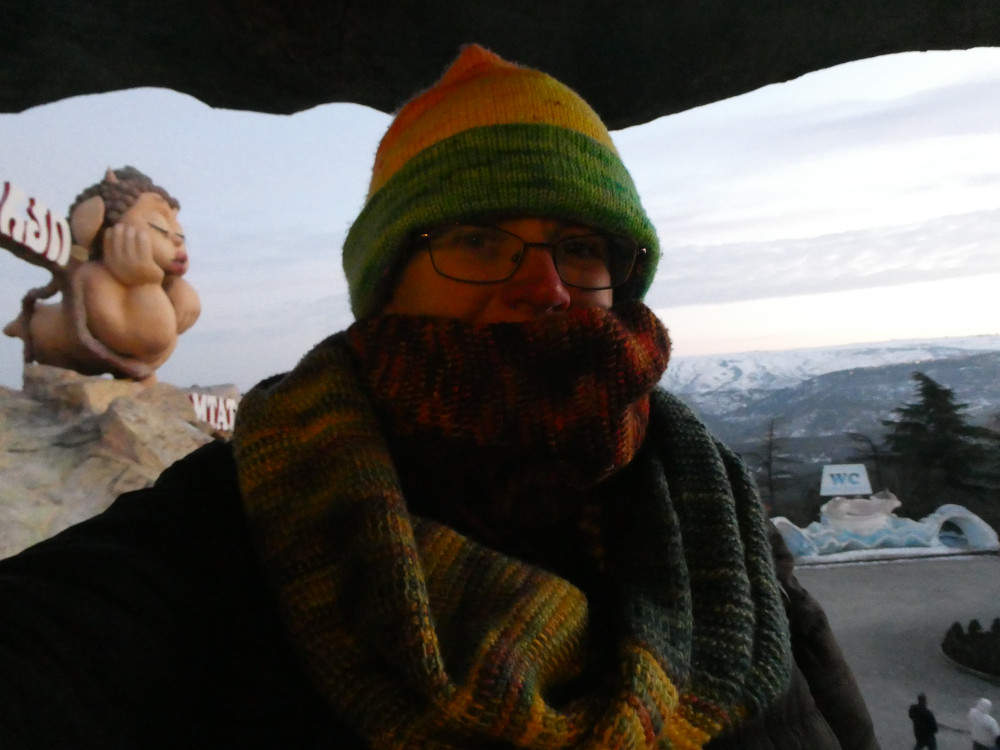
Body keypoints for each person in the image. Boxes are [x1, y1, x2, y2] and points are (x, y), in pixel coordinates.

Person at [0, 45, 879, 749]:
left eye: (581, 246)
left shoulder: (711, 506)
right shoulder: (233, 527)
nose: (546, 288)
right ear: (388, 285)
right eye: (478, 238)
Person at [3, 166, 201, 382]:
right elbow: (147, 338)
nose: (178, 239)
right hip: (58, 346)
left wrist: (180, 291)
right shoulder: (92, 276)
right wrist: (143, 283)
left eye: (179, 232)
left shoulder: (162, 283)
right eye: (160, 228)